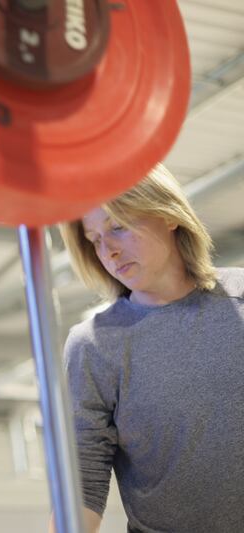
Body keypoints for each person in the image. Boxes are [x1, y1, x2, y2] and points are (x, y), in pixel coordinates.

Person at [53, 163, 244, 532]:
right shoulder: (94, 344)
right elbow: (83, 481)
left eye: (118, 227)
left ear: (167, 214)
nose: (107, 251)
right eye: (94, 239)